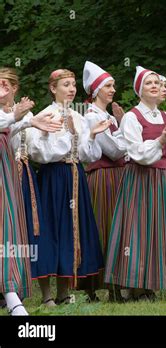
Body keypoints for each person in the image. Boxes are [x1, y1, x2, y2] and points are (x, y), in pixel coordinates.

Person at [105, 66, 166, 300]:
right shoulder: (132, 117)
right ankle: (138, 285)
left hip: (165, 178)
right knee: (140, 229)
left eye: (157, 82)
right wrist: (159, 141)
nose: (155, 86)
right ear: (139, 90)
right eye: (149, 83)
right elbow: (136, 152)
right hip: (141, 179)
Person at [28, 69, 110, 305]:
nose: (71, 89)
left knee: (72, 231)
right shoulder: (44, 115)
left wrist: (92, 136)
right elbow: (39, 153)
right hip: (53, 177)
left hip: (75, 174)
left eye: (73, 85)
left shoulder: (78, 116)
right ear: (53, 89)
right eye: (66, 85)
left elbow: (86, 153)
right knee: (50, 230)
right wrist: (51, 134)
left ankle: (64, 292)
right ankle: (46, 296)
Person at [0, 70, 61, 315]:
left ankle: (12, 295)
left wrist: (31, 122)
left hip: (10, 175)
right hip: (6, 171)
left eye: (5, 84)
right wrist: (19, 117)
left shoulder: (16, 114)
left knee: (9, 232)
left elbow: (12, 134)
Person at [81, 61, 128, 301]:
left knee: (116, 226)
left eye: (114, 86)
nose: (113, 90)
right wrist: (122, 126)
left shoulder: (108, 116)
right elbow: (115, 151)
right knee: (104, 225)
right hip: (103, 177)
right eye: (108, 86)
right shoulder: (91, 117)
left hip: (116, 176)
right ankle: (102, 285)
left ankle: (115, 284)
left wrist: (119, 123)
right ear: (96, 89)